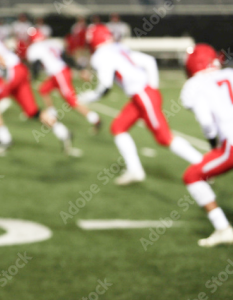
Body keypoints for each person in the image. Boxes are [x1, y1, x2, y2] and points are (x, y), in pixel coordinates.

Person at [78, 25, 203, 185]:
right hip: (143, 94)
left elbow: (105, 87)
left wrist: (86, 98)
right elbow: (149, 61)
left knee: (164, 138)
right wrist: (153, 87)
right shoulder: (118, 47)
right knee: (118, 128)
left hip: (143, 95)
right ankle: (135, 170)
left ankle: (203, 166)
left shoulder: (101, 55)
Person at [0, 25, 72, 156]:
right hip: (19, 69)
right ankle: (63, 132)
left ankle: (4, 139)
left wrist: (5, 78)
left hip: (11, 73)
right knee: (32, 111)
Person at [180, 44, 233, 247]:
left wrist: (213, 145)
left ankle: (223, 228)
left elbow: (207, 123)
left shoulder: (195, 85)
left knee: (192, 175)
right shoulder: (229, 73)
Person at [25, 28, 101, 132]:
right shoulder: (52, 43)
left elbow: (36, 66)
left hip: (59, 74)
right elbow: (66, 58)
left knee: (71, 100)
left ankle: (94, 118)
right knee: (43, 90)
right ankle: (52, 113)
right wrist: (79, 69)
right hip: (60, 72)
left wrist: (32, 78)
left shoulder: (35, 48)